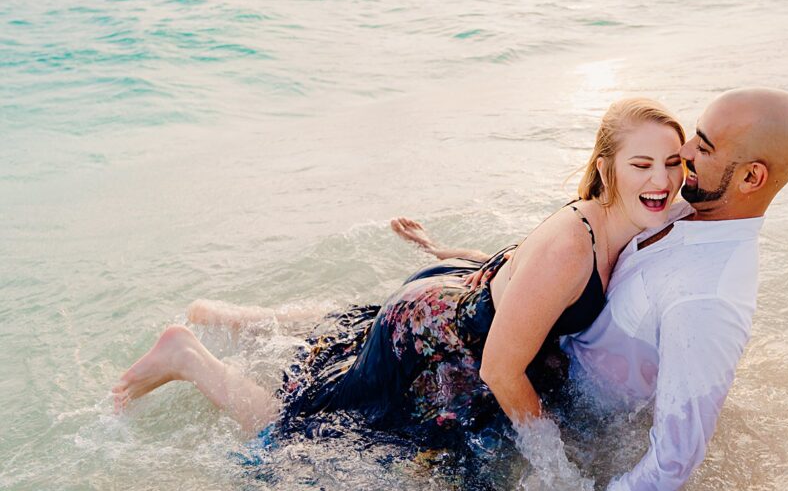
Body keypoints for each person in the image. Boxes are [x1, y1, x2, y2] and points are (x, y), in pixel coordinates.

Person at [112, 98, 687, 459]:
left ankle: (223, 318)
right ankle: (189, 357)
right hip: (439, 339)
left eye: (673, 163)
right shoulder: (575, 244)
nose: (660, 180)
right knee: (309, 432)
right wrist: (554, 467)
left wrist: (438, 247)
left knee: (342, 339)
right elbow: (498, 369)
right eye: (642, 165)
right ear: (607, 167)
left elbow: (519, 271)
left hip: (460, 295)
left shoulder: (626, 218)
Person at [391, 88, 788, 491]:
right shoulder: (682, 208)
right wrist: (505, 263)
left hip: (531, 374)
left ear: (751, 179)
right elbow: (572, 251)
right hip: (464, 353)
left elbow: (676, 456)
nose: (683, 152)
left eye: (703, 146)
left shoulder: (707, 301)